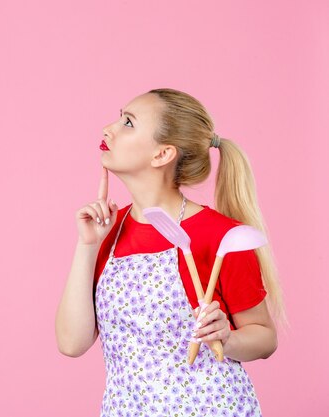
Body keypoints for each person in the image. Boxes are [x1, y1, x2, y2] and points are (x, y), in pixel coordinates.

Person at [54, 88, 288, 417]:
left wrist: (226, 339)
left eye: (128, 122)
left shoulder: (219, 236)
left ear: (163, 154)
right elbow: (71, 343)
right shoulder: (107, 230)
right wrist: (87, 245)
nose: (109, 128)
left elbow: (265, 337)